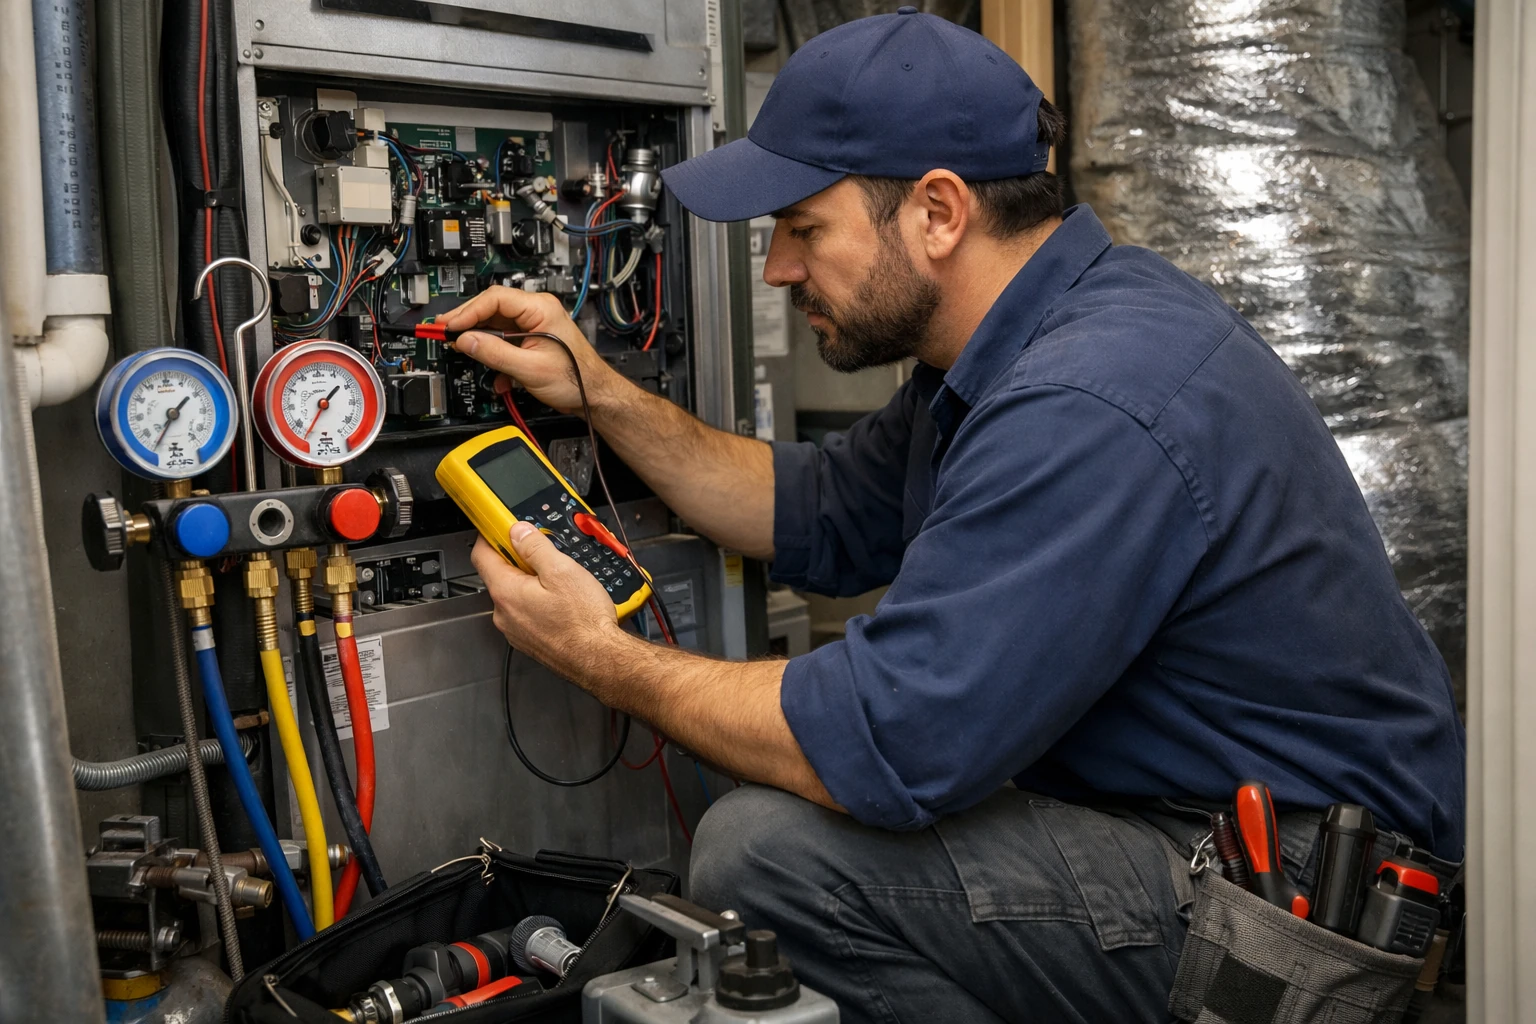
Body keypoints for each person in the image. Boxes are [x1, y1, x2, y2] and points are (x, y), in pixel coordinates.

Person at [441, 9, 1464, 1021]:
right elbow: (816, 508)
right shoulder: (1001, 348)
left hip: (1282, 905)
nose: (779, 272)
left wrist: (604, 658)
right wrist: (601, 392)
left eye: (803, 230)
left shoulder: (1088, 398)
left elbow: (891, 740)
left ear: (937, 211)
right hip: (1169, 824)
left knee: (765, 853)